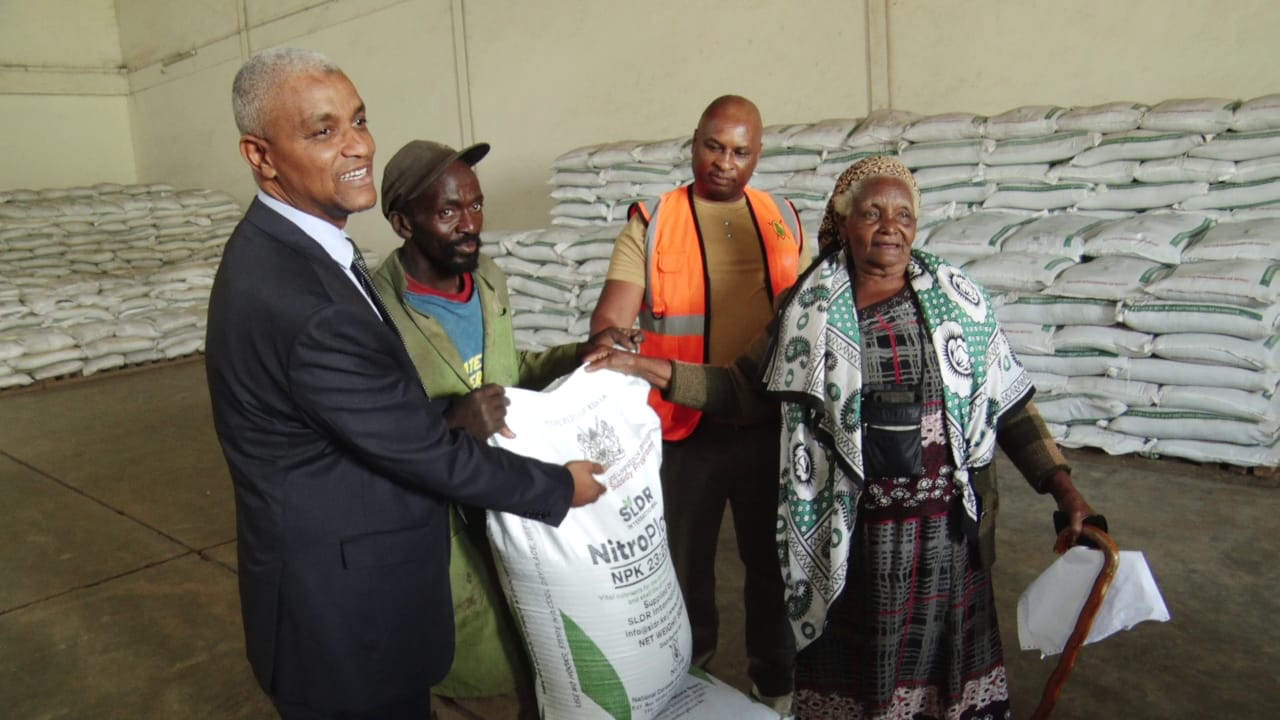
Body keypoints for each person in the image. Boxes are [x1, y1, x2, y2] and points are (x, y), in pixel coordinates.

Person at [585, 155, 1099, 719]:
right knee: (861, 683)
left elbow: (1009, 408)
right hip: (852, 541)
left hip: (948, 539)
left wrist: (1064, 489)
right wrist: (643, 368)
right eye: (872, 212)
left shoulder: (962, 302)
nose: (890, 225)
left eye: (903, 213)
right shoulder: (809, 309)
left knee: (946, 680)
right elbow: (739, 389)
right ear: (845, 224)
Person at [204, 47, 606, 720]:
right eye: (322, 131)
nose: (358, 144)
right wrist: (561, 487)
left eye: (358, 119)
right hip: (344, 619)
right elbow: (423, 448)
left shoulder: (295, 250)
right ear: (261, 155)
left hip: (346, 594)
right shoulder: (303, 299)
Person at [372, 138, 642, 716]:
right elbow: (375, 438)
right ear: (401, 223)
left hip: (511, 494)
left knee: (540, 653)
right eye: (447, 212)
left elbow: (509, 374)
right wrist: (453, 422)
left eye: (475, 205)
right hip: (440, 526)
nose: (470, 225)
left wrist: (580, 353)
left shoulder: (487, 281)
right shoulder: (375, 313)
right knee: (478, 673)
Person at [589, 94, 810, 713]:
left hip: (766, 426)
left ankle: (777, 689)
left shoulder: (783, 219)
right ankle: (690, 687)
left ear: (758, 155)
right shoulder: (654, 220)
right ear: (693, 142)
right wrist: (613, 339)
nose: (724, 162)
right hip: (685, 430)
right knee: (685, 573)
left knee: (772, 570)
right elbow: (612, 313)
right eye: (714, 146)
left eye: (741, 151)